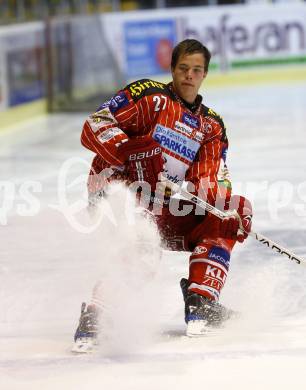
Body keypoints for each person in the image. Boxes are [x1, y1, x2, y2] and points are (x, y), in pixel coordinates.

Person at [73, 39, 253, 351]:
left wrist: (224, 207)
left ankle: (202, 301)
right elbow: (95, 124)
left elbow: (208, 182)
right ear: (172, 69)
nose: (189, 75)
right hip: (117, 197)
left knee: (228, 214)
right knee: (143, 249)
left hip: (162, 205)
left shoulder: (210, 126)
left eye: (196, 70)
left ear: (205, 75)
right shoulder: (149, 96)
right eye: (183, 68)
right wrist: (129, 152)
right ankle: (97, 314)